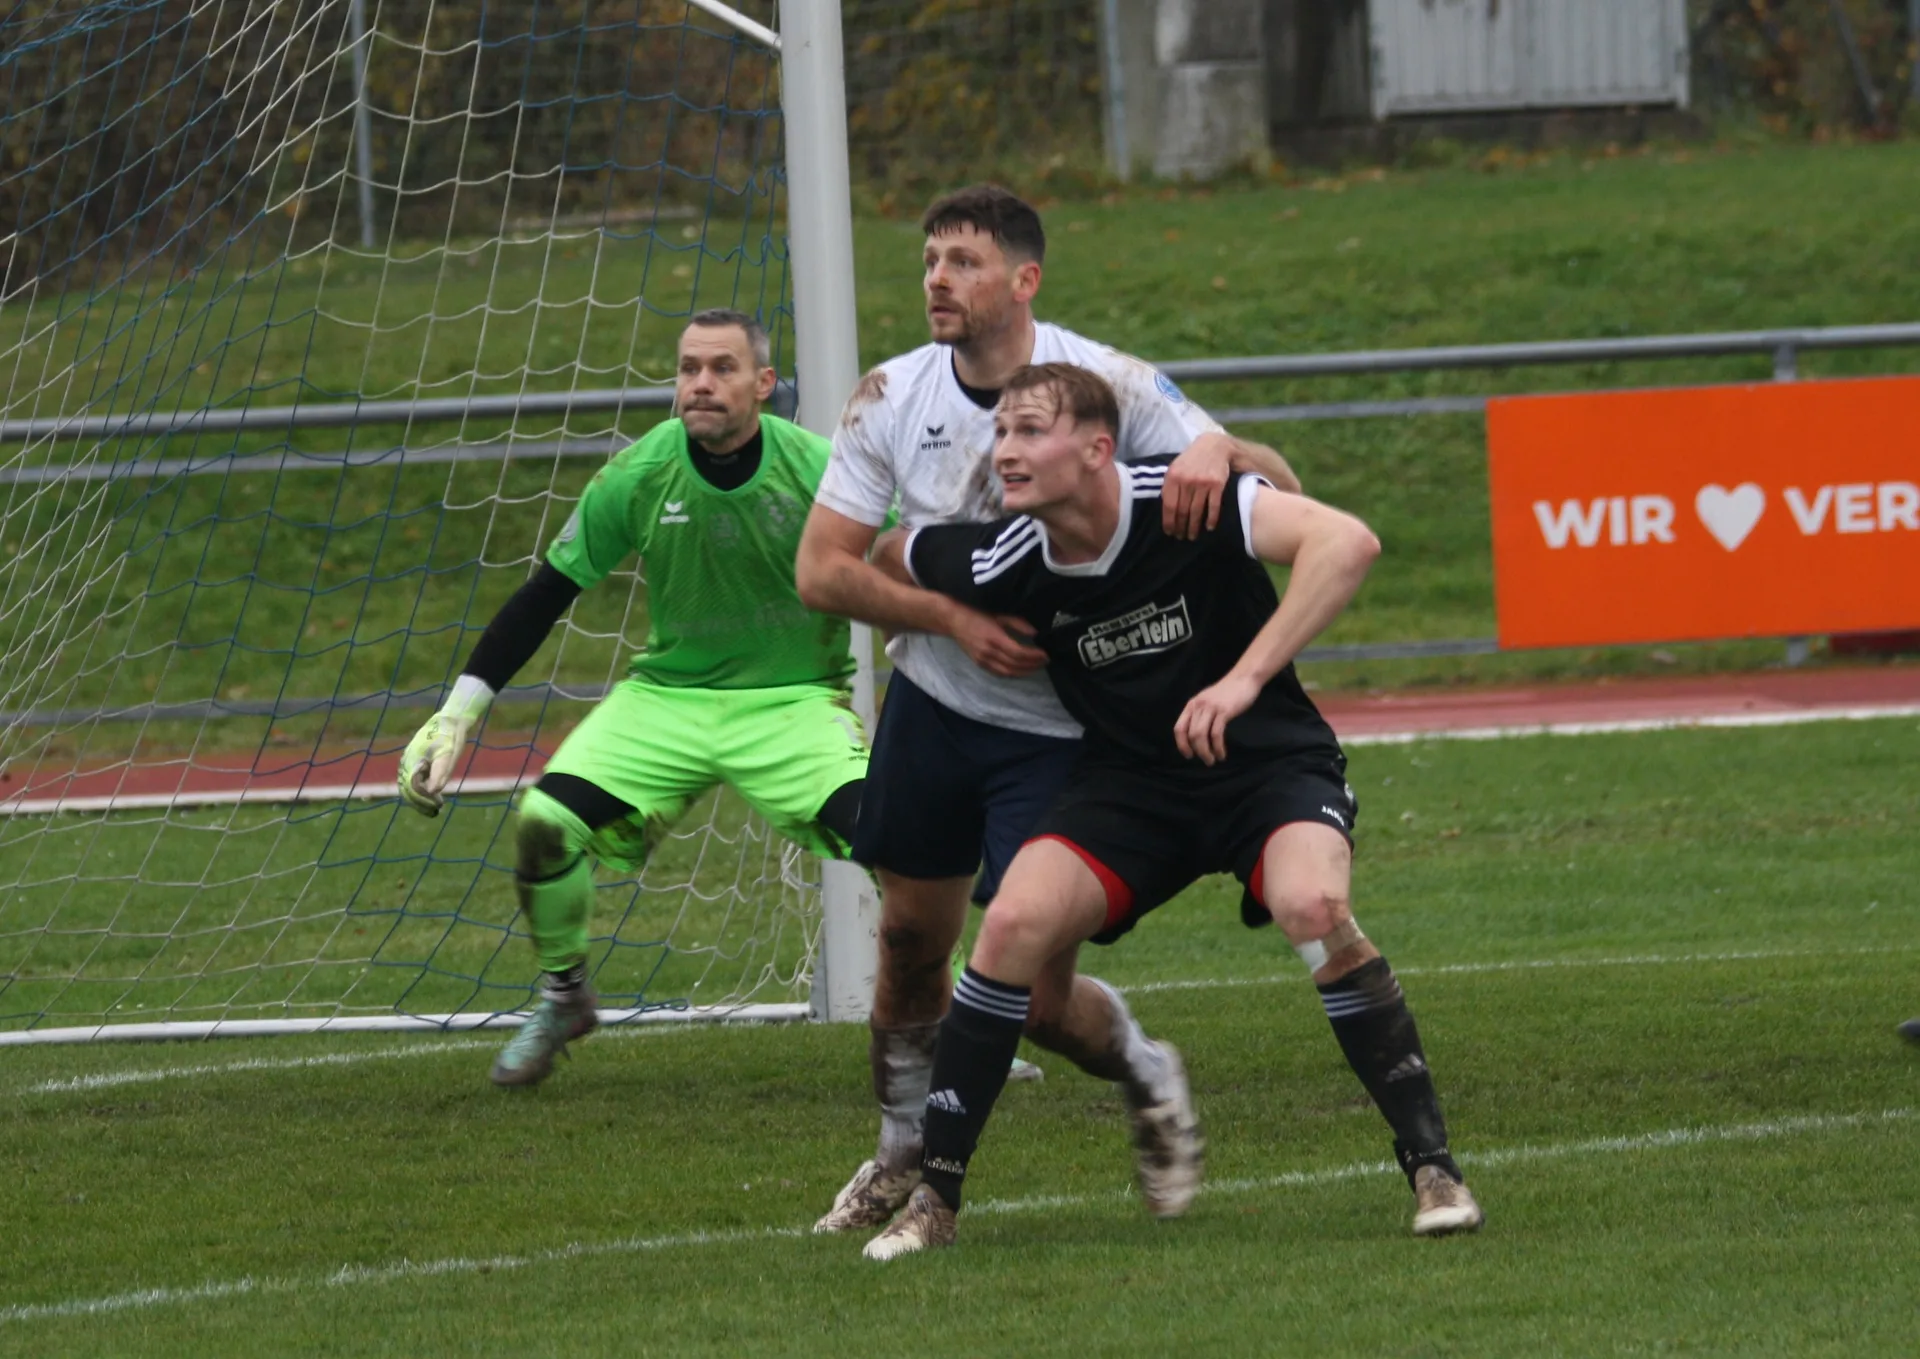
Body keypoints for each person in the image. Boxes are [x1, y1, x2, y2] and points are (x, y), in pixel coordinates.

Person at [858, 362, 1483, 1258]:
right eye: (999, 433)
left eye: (1030, 431)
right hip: (1132, 791)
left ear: (1099, 447)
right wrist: (951, 620)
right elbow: (891, 549)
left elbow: (1347, 542)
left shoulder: (1188, 501)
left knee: (1315, 908)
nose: (1005, 451)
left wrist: (1242, 681)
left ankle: (1434, 1168)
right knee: (1009, 932)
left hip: (1265, 768)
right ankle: (936, 1203)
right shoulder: (1011, 555)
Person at [795, 184, 1302, 1232]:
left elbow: (1274, 490)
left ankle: (1144, 1067)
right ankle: (901, 1148)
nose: (938, 278)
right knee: (905, 944)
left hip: (1066, 730)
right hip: (936, 704)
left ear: (1025, 281)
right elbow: (821, 571)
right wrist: (951, 620)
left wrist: (1229, 448)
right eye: (932, 259)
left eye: (965, 261)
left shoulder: (1107, 385)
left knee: (1027, 994)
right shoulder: (890, 395)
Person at [398, 309, 868, 1087]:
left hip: (794, 702)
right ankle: (564, 993)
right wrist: (458, 714)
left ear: (764, 384)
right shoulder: (640, 472)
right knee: (545, 822)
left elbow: (906, 563)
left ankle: (962, 1017)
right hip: (668, 701)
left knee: (900, 842)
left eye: (721, 367)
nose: (701, 384)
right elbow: (546, 593)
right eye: (688, 368)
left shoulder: (821, 469)